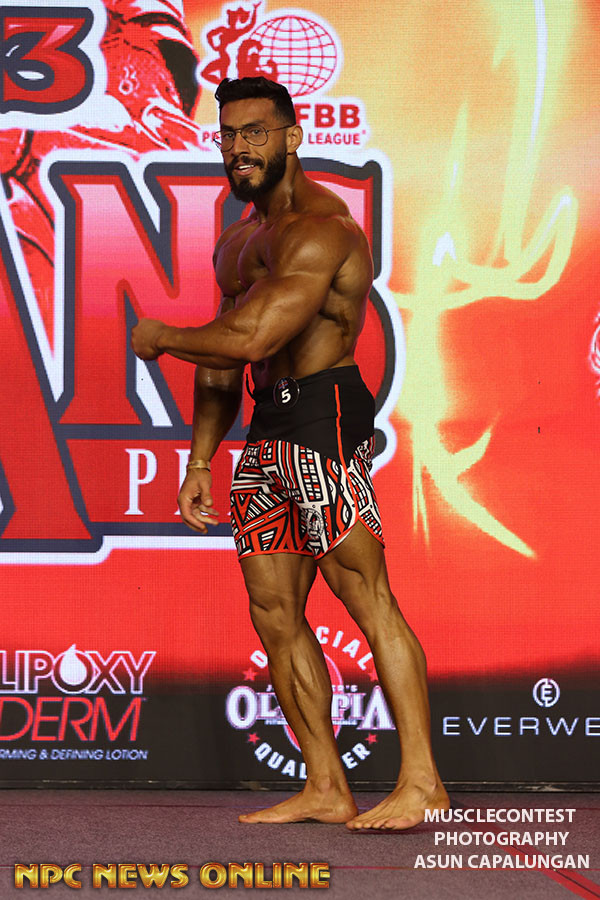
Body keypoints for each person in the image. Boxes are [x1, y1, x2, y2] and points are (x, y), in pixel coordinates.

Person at [131, 76, 449, 830]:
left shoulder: (322, 229)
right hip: (267, 429)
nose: (238, 148)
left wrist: (161, 335)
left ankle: (422, 783)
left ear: (291, 138)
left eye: (255, 133)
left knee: (363, 592)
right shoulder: (237, 241)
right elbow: (225, 363)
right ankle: (326, 785)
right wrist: (200, 460)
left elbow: (254, 338)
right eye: (228, 135)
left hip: (321, 420)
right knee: (274, 609)